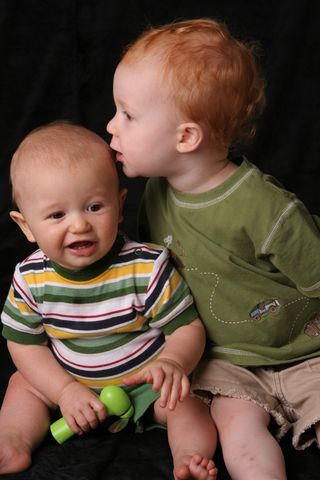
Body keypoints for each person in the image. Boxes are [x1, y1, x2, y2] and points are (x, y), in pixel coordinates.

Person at [107, 17, 320, 480]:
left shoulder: (265, 208)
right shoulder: (157, 196)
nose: (111, 126)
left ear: (186, 137)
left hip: (307, 350)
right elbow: (156, 281)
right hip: (228, 363)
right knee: (238, 437)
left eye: (127, 114)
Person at [0, 122, 217, 480]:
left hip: (145, 385)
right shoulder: (31, 278)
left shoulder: (146, 266)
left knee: (185, 398)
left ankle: (190, 457)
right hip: (69, 383)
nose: (80, 226)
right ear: (26, 226)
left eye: (94, 207)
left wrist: (173, 362)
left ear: (119, 206)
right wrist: (65, 391)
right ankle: (13, 443)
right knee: (21, 385)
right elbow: (25, 346)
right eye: (57, 215)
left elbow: (187, 326)